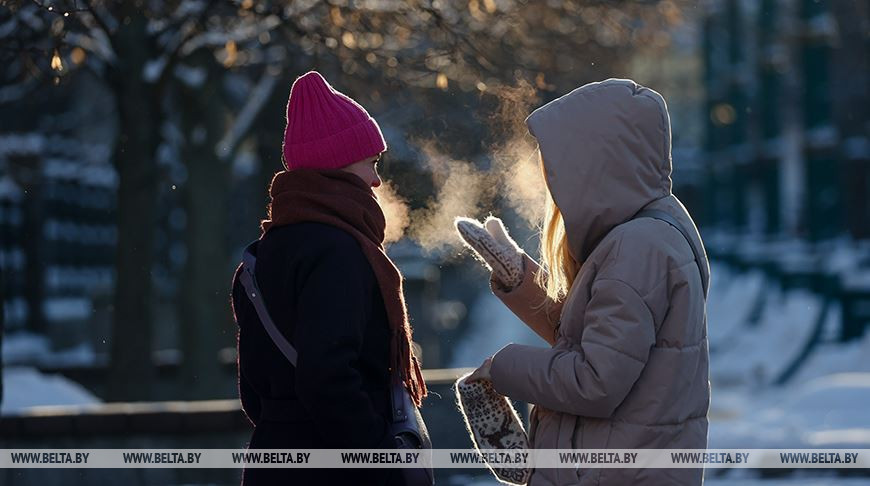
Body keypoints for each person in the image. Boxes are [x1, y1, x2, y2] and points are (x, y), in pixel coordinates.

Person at [457, 78, 711, 485]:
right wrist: (520, 278)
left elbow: (595, 381)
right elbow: (602, 342)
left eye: (560, 169)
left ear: (596, 165)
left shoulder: (638, 246)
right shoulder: (644, 234)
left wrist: (500, 368)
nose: (552, 186)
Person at [230, 71, 426, 485]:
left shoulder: (259, 256)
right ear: (337, 165)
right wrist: (379, 458)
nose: (376, 179)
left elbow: (252, 391)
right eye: (370, 163)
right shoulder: (339, 252)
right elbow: (328, 377)